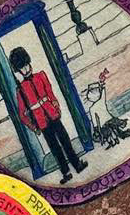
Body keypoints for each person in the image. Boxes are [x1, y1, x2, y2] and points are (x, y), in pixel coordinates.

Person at [7, 44, 87, 183]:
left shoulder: (41, 76)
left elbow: (50, 94)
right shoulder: (20, 90)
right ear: (18, 70)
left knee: (66, 141)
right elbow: (22, 115)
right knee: (55, 148)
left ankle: (77, 164)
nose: (25, 69)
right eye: (22, 68)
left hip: (53, 114)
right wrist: (34, 127)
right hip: (41, 123)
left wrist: (57, 108)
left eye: (26, 65)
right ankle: (66, 172)